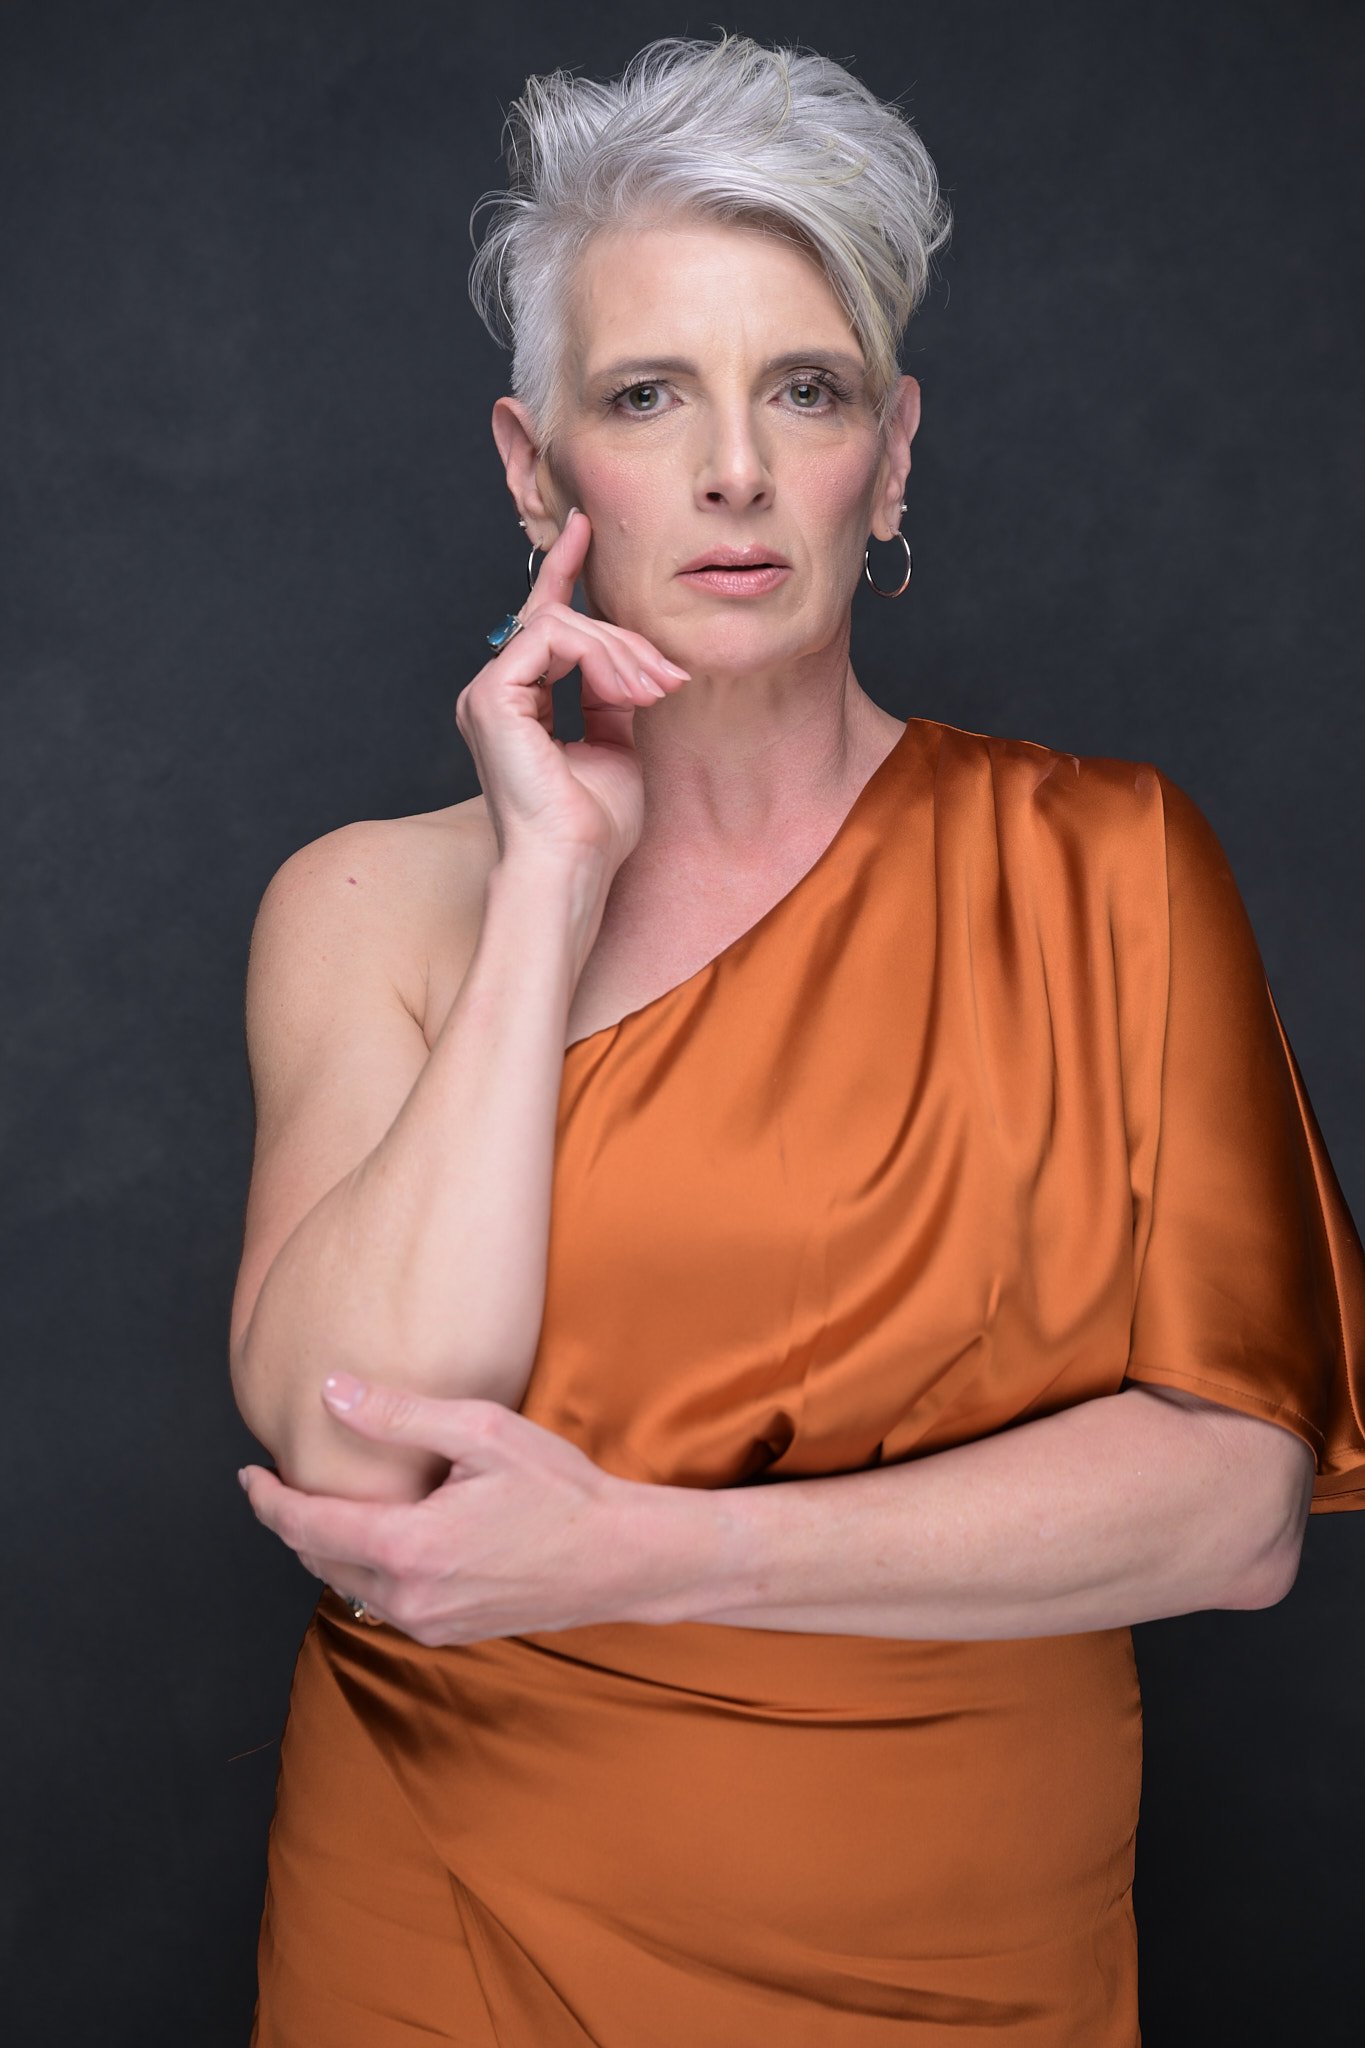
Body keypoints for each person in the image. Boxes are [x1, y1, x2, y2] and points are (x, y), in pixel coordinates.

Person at [231, 31, 1365, 2046]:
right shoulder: (367, 904)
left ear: (891, 453)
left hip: (962, 1947)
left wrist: (639, 1550)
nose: (734, 469)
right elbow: (357, 1451)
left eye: (805, 389)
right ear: (531, 467)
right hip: (448, 1920)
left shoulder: (1105, 862)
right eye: (645, 394)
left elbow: (1231, 1513)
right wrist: (546, 886)